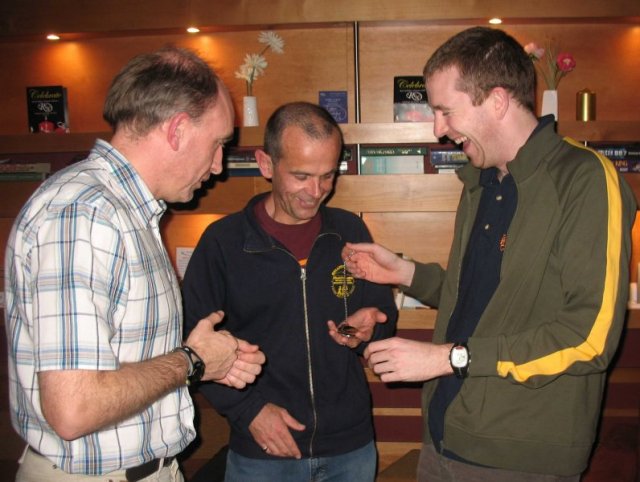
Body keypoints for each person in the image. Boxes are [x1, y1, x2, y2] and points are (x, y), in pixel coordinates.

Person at [343, 26, 637, 481]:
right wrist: (405, 273)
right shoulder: (482, 182)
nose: (439, 129)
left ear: (497, 100)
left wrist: (447, 358)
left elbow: (589, 338)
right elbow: (488, 298)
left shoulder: (585, 180)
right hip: (445, 436)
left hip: (521, 455)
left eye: (445, 111)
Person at [5, 46, 266, 482]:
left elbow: (124, 362)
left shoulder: (126, 211)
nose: (219, 166)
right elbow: (75, 408)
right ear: (178, 130)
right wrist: (192, 361)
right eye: (218, 144)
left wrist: (209, 360)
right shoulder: (85, 213)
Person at [182, 101, 398, 482]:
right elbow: (192, 345)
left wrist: (369, 330)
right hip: (263, 452)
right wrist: (248, 411)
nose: (316, 192)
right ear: (266, 165)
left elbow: (381, 316)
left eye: (328, 176)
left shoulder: (350, 231)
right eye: (301, 175)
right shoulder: (222, 243)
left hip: (351, 449)